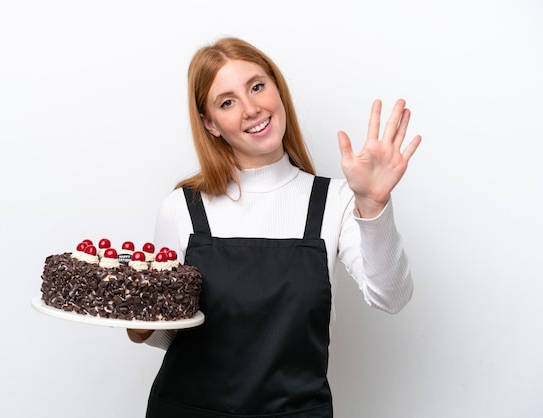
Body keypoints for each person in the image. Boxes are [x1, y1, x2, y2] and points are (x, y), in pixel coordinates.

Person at [127, 36, 421, 418]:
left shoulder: (336, 201)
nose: (251, 109)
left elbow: (391, 298)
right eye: (227, 102)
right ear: (210, 124)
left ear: (277, 90)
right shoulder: (183, 207)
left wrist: (374, 204)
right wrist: (140, 326)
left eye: (257, 86)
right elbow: (173, 333)